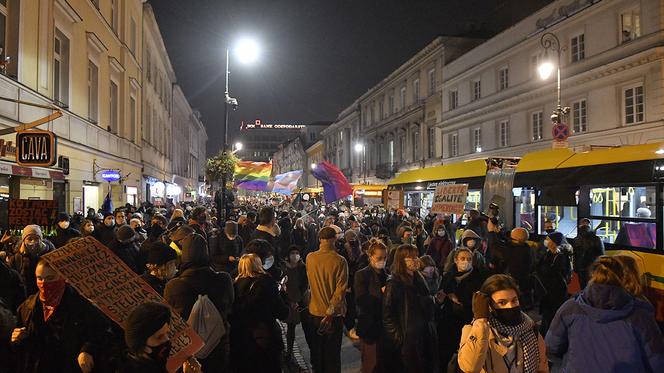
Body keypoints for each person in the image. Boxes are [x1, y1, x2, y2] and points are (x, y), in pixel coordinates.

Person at [546, 255, 664, 372]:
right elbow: (657, 362)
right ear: (624, 277)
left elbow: (551, 347)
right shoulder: (640, 315)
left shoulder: (570, 307)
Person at [11, 260, 111, 373]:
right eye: (40, 278)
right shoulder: (27, 308)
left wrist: (87, 350)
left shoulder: (82, 306)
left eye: (50, 278)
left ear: (63, 277)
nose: (44, 284)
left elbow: (102, 332)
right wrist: (18, 339)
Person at [164, 233, 234, 372]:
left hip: (187, 350)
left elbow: (169, 317)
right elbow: (230, 305)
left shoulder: (174, 286)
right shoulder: (223, 279)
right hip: (218, 344)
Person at [458, 274, 549, 373]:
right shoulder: (475, 331)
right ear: (490, 306)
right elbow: (470, 367)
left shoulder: (530, 329)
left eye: (514, 300)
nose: (510, 306)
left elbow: (542, 367)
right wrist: (481, 321)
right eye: (502, 302)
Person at [382, 244, 438, 373]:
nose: (415, 260)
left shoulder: (418, 278)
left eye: (416, 256)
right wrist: (399, 337)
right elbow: (387, 315)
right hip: (408, 338)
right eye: (411, 257)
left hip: (424, 334)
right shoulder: (394, 283)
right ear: (401, 260)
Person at [230, 254, 289, 373]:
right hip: (265, 338)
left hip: (241, 341)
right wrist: (283, 293)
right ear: (259, 265)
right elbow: (282, 313)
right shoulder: (267, 284)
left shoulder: (233, 286)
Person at [306, 226, 349, 373]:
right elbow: (340, 291)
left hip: (314, 311)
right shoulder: (340, 261)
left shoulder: (310, 258)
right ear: (334, 240)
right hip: (332, 316)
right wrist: (330, 312)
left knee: (317, 353)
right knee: (332, 355)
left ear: (320, 239)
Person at [437, 247, 485, 369]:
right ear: (455, 260)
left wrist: (460, 301)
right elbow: (442, 293)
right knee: (446, 352)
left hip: (467, 320)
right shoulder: (448, 276)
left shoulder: (478, 277)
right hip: (448, 320)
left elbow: (478, 300)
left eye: (469, 259)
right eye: (462, 258)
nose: (466, 262)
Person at [121, 301, 201, 373]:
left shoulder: (154, 365)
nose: (167, 339)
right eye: (159, 337)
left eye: (167, 333)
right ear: (141, 344)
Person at [354, 240, 388, 373]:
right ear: (371, 256)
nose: (382, 261)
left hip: (386, 328)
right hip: (370, 327)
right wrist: (381, 293)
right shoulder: (362, 275)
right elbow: (361, 300)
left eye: (385, 258)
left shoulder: (388, 274)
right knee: (370, 365)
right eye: (379, 258)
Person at [534, 232, 572, 335]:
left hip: (555, 290)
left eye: (548, 239)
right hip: (546, 289)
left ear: (553, 242)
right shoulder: (548, 253)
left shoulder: (561, 256)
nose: (545, 241)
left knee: (552, 313)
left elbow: (552, 272)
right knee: (547, 314)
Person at [7, 225, 55, 295]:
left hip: (47, 294)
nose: (33, 241)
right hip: (25, 297)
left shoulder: (50, 254)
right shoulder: (16, 259)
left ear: (41, 239)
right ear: (24, 240)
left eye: (36, 238)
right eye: (29, 239)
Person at [571, 218, 604, 289]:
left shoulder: (577, 239)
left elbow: (601, 255)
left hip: (590, 269)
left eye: (586, 224)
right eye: (583, 224)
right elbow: (575, 255)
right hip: (585, 268)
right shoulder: (577, 240)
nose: (585, 226)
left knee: (589, 288)